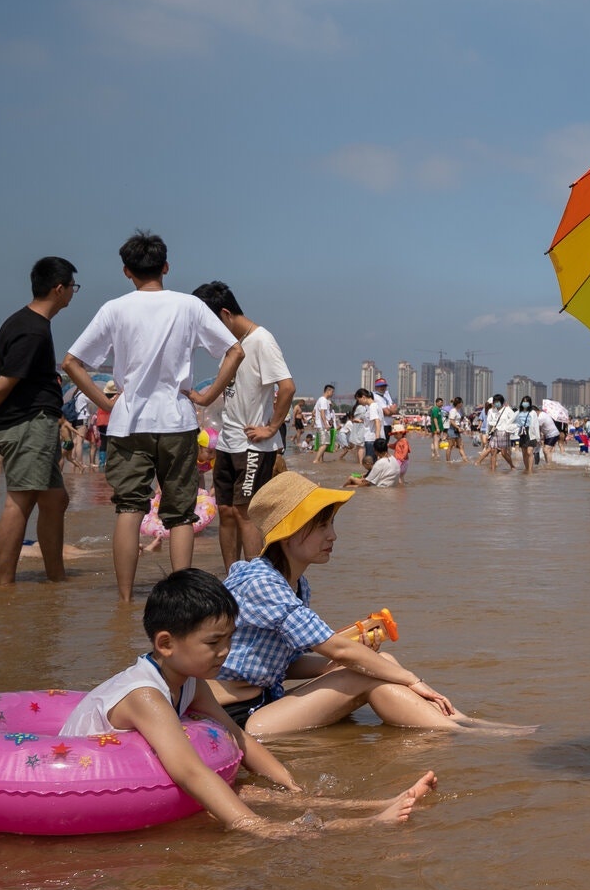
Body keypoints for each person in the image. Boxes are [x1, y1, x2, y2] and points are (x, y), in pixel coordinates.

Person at [62, 568, 436, 835]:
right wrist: (253, 826)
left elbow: (237, 737)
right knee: (251, 807)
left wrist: (290, 785)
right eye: (213, 643)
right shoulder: (145, 695)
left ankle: (376, 805)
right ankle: (365, 824)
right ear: (166, 644)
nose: (225, 652)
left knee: (261, 792)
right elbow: (190, 772)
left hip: (132, 775)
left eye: (229, 640)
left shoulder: (190, 680)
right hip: (81, 784)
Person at [212, 473, 524, 734]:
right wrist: (410, 679)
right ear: (288, 534)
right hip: (241, 715)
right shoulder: (263, 583)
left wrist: (346, 661)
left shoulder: (296, 583)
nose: (333, 535)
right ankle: (459, 733)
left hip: (266, 698)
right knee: (365, 671)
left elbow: (285, 662)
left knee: (382, 662)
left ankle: (458, 720)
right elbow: (339, 648)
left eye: (331, 524)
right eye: (321, 526)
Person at [62, 231, 245, 603]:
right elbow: (234, 351)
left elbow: (71, 362)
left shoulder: (115, 308)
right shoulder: (188, 307)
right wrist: (208, 394)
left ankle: (126, 600)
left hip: (129, 423)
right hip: (177, 421)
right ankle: (182, 599)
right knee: (180, 514)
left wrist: (107, 402)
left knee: (129, 509)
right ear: (165, 266)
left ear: (127, 271)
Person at [0, 255, 79, 585]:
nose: (72, 293)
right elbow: (3, 383)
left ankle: (56, 576)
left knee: (56, 500)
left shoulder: (22, 322)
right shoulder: (33, 330)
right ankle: (4, 584)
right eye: (72, 287)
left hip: (27, 423)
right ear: (58, 288)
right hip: (28, 424)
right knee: (20, 501)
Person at [191, 282, 296, 570]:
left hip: (253, 445)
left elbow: (287, 387)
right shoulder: (232, 348)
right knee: (225, 510)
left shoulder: (261, 340)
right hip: (227, 442)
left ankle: (255, 578)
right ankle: (233, 577)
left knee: (244, 512)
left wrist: (271, 428)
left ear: (225, 314)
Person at [478, 394, 514, 471]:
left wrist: (511, 430)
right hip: (494, 432)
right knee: (493, 451)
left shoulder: (507, 410)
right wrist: (488, 433)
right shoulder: (491, 411)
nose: (496, 403)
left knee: (504, 453)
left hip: (504, 433)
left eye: (498, 401)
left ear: (502, 402)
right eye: (495, 402)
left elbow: (514, 420)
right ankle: (493, 470)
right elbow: (488, 423)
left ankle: (512, 466)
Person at [312, 383, 338, 462]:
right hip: (323, 426)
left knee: (322, 443)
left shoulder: (320, 400)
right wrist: (326, 424)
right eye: (332, 392)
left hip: (320, 425)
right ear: (328, 391)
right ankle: (316, 460)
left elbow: (313, 412)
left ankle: (320, 460)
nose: (333, 394)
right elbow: (322, 412)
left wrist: (315, 420)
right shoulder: (323, 400)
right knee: (325, 444)